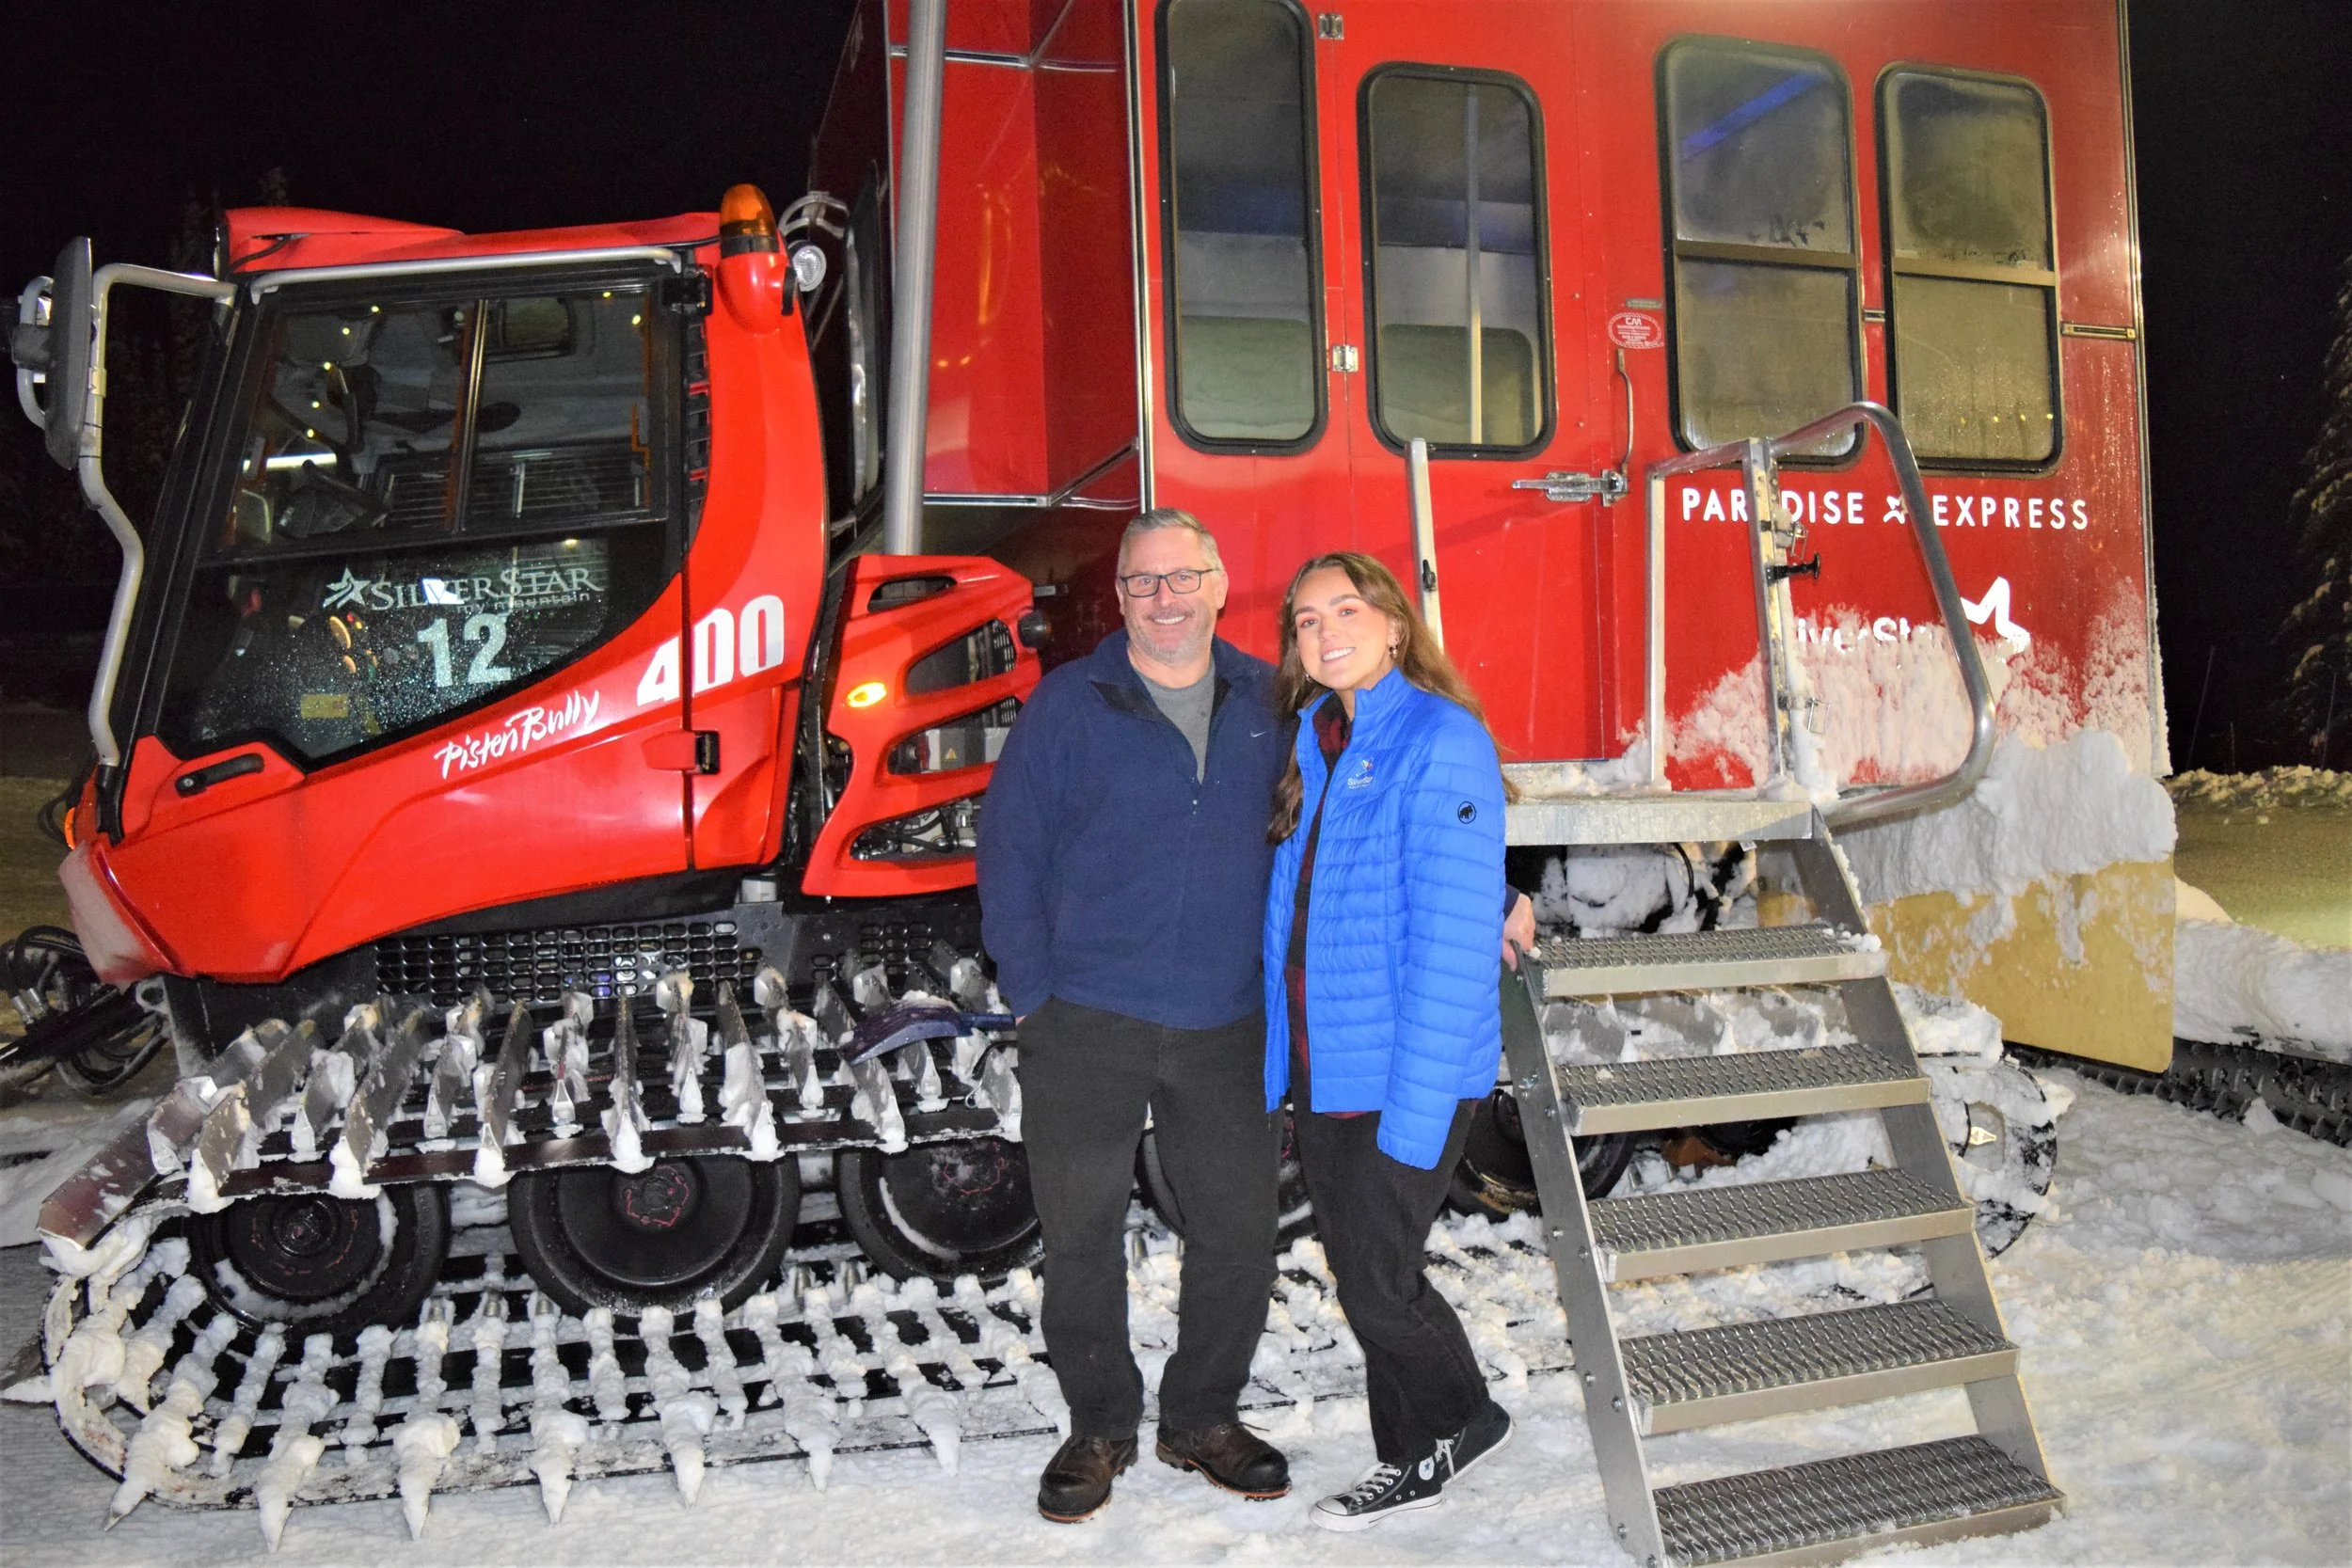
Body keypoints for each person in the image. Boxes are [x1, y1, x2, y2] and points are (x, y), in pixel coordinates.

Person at [976, 508, 1293, 1522]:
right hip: (1087, 1019)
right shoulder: (1071, 704)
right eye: (1143, 582)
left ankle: (1200, 1412)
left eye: (1182, 576)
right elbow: (1009, 853)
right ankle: (1101, 1422)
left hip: (1226, 1017)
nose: (1165, 598)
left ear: (1218, 580)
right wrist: (1035, 991)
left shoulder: (1270, 701)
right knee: (1078, 1234)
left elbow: (1371, 811)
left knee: (1241, 1230)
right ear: (1119, 598)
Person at [1261, 550, 1518, 1531]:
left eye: (1345, 608)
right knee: (1371, 1267)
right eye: (1304, 618)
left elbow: (1453, 939)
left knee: (1375, 1277)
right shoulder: (1319, 738)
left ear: (1396, 625)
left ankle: (1451, 1425)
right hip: (1331, 1060)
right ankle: (1418, 1438)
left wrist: (1416, 1107)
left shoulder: (1440, 738)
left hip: (1404, 1066)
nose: (1323, 629)